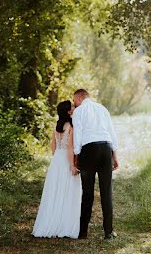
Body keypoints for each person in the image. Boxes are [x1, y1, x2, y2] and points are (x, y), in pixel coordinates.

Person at [72, 88, 119, 240]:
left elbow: (78, 134)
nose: (74, 103)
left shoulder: (79, 112)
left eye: (74, 100)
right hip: (105, 148)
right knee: (106, 192)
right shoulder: (102, 108)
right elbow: (112, 133)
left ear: (79, 98)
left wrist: (77, 156)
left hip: (88, 150)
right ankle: (108, 232)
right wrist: (114, 155)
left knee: (87, 193)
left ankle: (83, 232)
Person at [32, 100, 82, 238]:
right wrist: (72, 165)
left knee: (55, 190)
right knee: (67, 190)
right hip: (66, 159)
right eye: (72, 107)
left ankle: (51, 221)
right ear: (68, 112)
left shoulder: (56, 126)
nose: (74, 108)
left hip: (56, 160)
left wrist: (56, 160)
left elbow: (53, 146)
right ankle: (64, 224)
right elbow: (71, 148)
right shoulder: (71, 126)